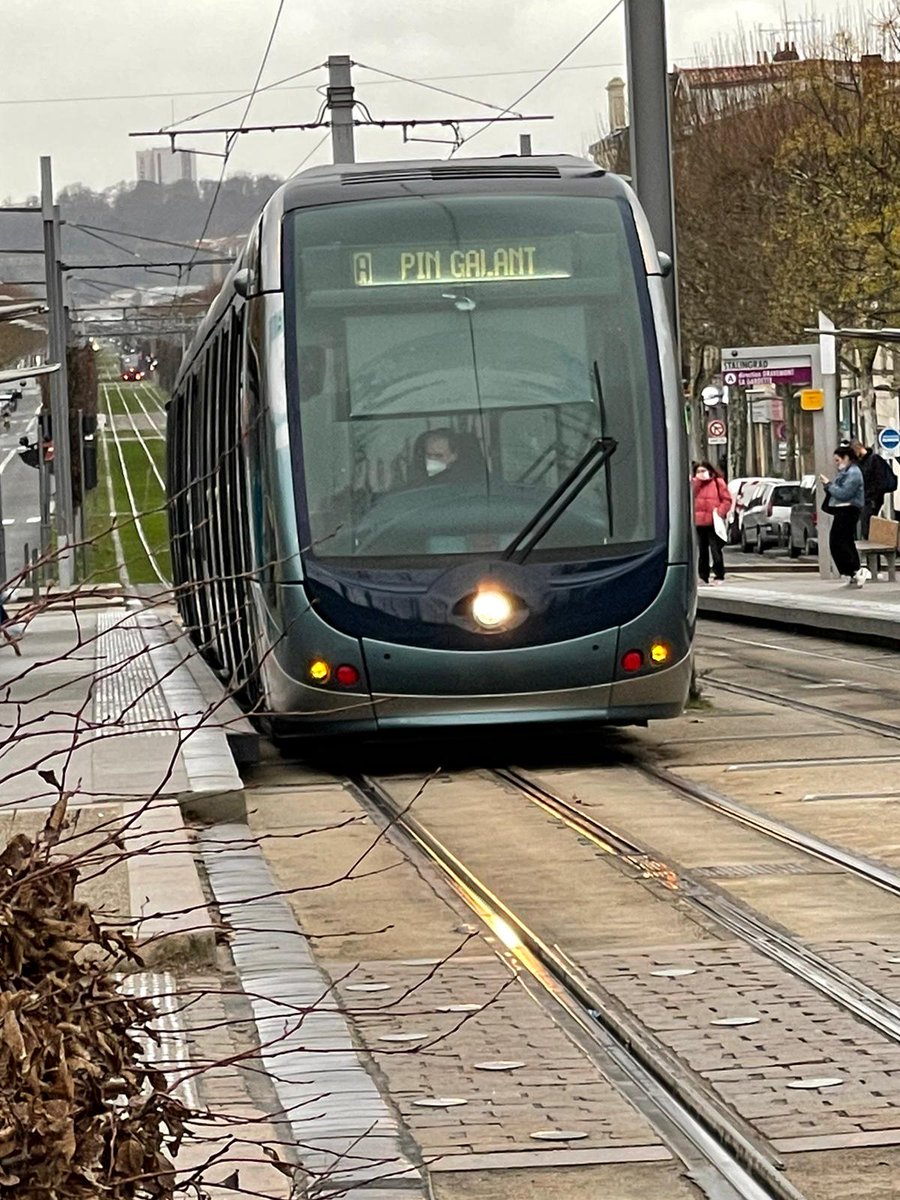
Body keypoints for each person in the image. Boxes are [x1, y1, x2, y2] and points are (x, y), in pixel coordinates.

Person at [821, 444, 866, 586]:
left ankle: (853, 570)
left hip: (848, 509)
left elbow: (844, 493)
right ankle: (851, 572)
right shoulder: (846, 472)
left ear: (846, 458)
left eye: (837, 460)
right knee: (844, 541)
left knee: (839, 541)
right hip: (843, 510)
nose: (836, 464)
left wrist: (828, 485)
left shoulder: (853, 473)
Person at [692, 461, 732, 585]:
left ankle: (719, 575)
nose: (701, 474)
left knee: (716, 550)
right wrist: (697, 482)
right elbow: (690, 496)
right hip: (699, 522)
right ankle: (703, 576)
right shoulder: (694, 484)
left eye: (703, 471)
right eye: (698, 471)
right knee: (702, 551)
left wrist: (720, 512)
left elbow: (727, 500)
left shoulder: (717, 482)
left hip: (713, 522)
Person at [849, 438, 896, 537]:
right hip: (866, 499)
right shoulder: (860, 463)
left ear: (857, 448)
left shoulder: (874, 460)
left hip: (871, 500)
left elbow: (879, 481)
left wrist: (870, 494)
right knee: (864, 527)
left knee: (867, 528)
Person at [410, 428, 484, 487]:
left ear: (453, 456)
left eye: (438, 456)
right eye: (429, 455)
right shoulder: (418, 484)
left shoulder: (465, 483)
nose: (432, 460)